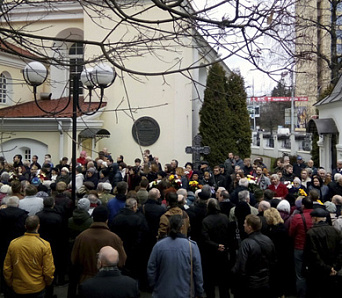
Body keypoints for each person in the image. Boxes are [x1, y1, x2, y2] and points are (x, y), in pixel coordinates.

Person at [147, 214, 204, 298]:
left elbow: (151, 269)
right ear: (182, 227)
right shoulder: (191, 246)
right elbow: (197, 272)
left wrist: (154, 286)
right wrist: (199, 291)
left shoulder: (158, 246)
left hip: (162, 292)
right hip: (184, 292)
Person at [70, 205, 127, 284]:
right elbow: (122, 261)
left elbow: (74, 259)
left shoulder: (81, 237)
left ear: (93, 218)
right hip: (109, 281)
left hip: (86, 280)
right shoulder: (114, 238)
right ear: (107, 220)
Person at [3, 216, 55, 297]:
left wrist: (10, 282)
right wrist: (48, 282)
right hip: (37, 287)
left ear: (25, 226)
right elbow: (48, 270)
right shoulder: (44, 245)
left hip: (18, 287)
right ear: (38, 226)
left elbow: (7, 268)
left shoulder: (14, 243)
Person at [232, 214, 276, 298]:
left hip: (251, 284)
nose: (243, 225)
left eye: (245, 223)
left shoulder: (246, 243)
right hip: (265, 282)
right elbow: (273, 260)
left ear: (250, 227)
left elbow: (241, 267)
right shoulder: (268, 240)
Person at [304, 208, 342, 298]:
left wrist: (326, 268)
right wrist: (334, 267)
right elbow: (340, 251)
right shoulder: (336, 231)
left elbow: (313, 254)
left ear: (316, 219)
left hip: (317, 271)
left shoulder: (311, 233)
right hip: (333, 270)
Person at [201, 198, 233, 298]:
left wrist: (216, 246)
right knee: (223, 282)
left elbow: (205, 239)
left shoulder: (206, 220)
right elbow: (230, 234)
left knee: (210, 283)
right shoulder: (224, 217)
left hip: (210, 254)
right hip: (224, 253)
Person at [289, 196, 313, 298]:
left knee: (300, 274)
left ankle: (301, 295)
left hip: (299, 247)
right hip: (313, 248)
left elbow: (291, 233)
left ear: (303, 206)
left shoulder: (298, 217)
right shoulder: (316, 216)